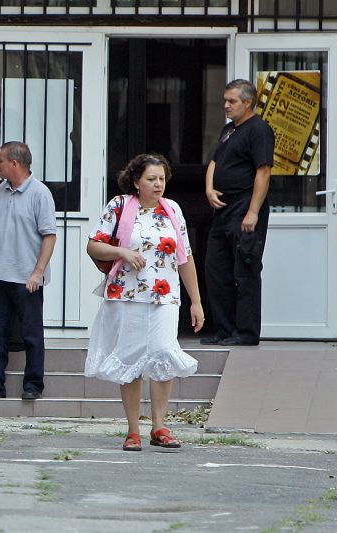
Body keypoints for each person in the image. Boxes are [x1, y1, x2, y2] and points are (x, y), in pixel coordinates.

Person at [85, 153, 205, 451]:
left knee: (164, 354)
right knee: (131, 359)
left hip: (165, 295)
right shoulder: (120, 205)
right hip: (127, 295)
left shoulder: (172, 210)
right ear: (136, 181)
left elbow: (185, 257)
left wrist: (196, 301)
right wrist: (122, 253)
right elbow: (93, 245)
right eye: (151, 179)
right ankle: (133, 430)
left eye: (162, 178)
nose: (158, 184)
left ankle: (160, 426)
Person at [0, 142, 56, 401]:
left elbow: (49, 236)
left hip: (27, 277)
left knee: (31, 333)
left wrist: (37, 272)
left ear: (14, 164)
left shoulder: (40, 193)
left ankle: (33, 385)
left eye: (0, 160)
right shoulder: (2, 190)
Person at [202, 79, 275, 346]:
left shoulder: (259, 130)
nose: (226, 105)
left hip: (244, 207)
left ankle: (245, 333)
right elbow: (214, 161)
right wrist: (209, 189)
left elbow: (263, 171)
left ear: (248, 102)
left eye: (232, 101)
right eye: (225, 100)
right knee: (215, 269)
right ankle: (224, 330)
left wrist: (253, 211)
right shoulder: (229, 130)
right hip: (222, 210)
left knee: (245, 269)